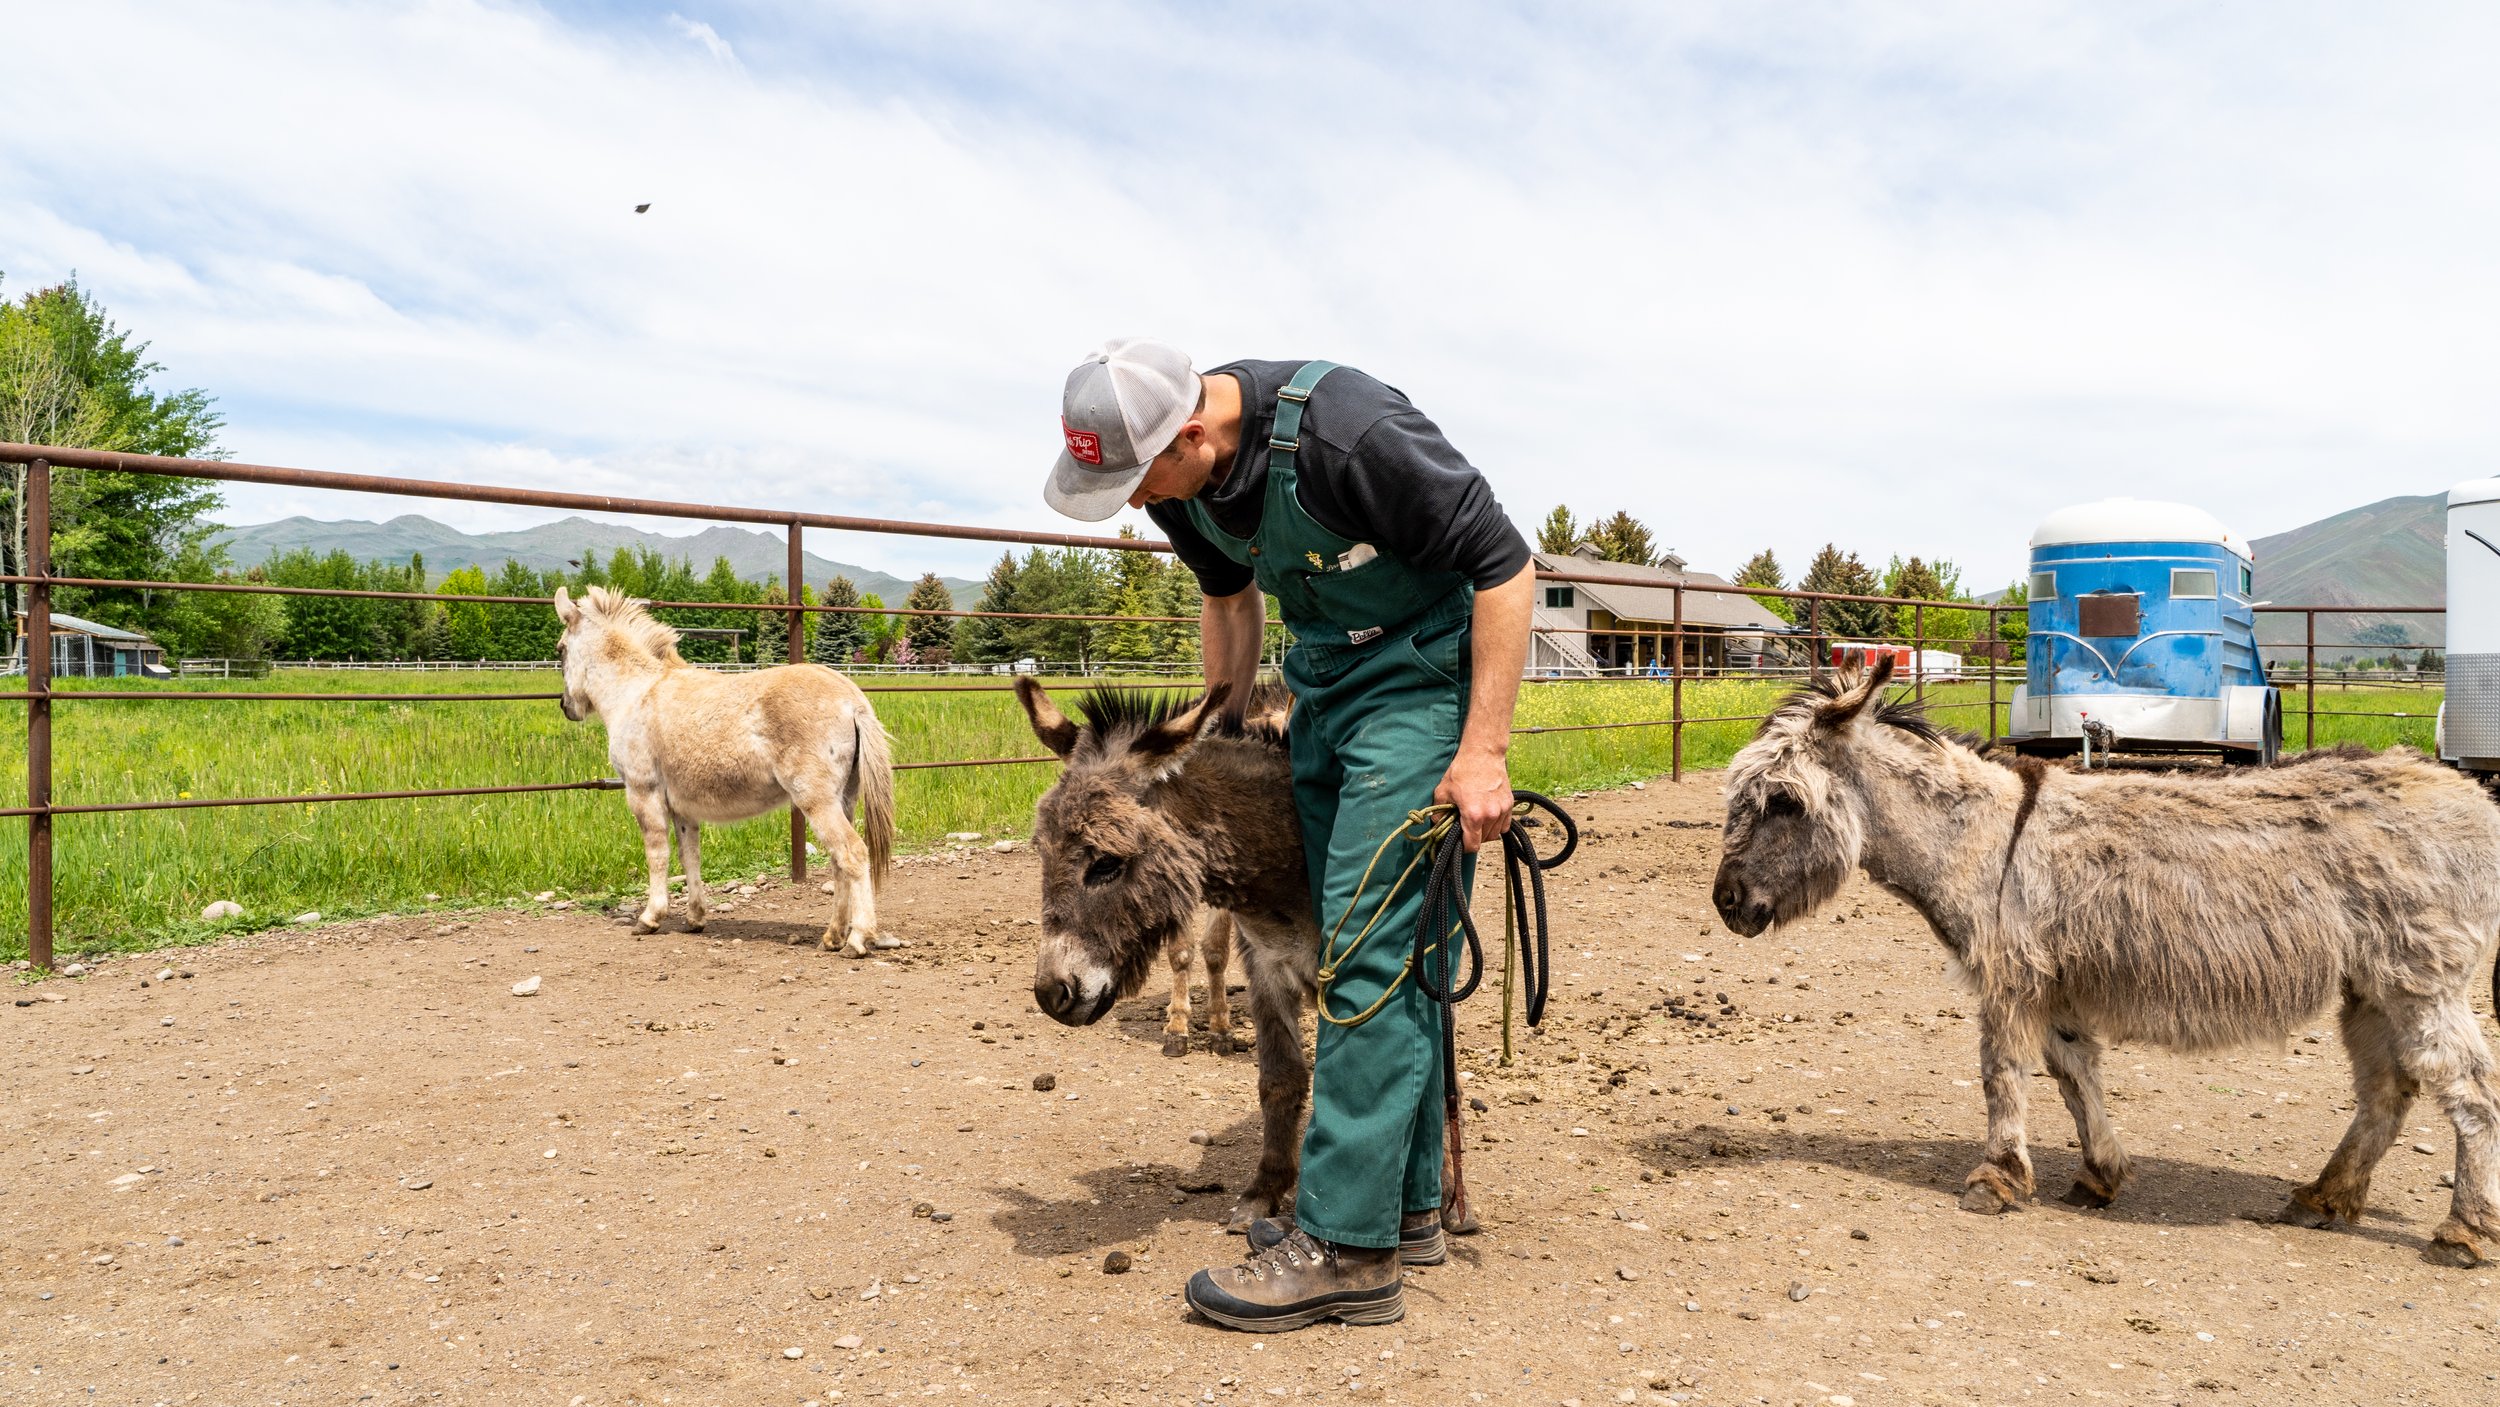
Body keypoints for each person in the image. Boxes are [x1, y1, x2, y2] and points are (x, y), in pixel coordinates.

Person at [1042, 337, 1533, 1331]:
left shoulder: (1350, 436)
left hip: (1421, 687)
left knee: (1365, 953)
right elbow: (1228, 598)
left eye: (1138, 482)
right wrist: (1214, 754)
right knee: (1394, 948)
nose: (1137, 506)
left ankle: (1348, 1248)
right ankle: (1413, 1204)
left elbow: (1507, 567)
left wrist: (1481, 750)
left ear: (1189, 431)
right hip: (1321, 693)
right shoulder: (1186, 489)